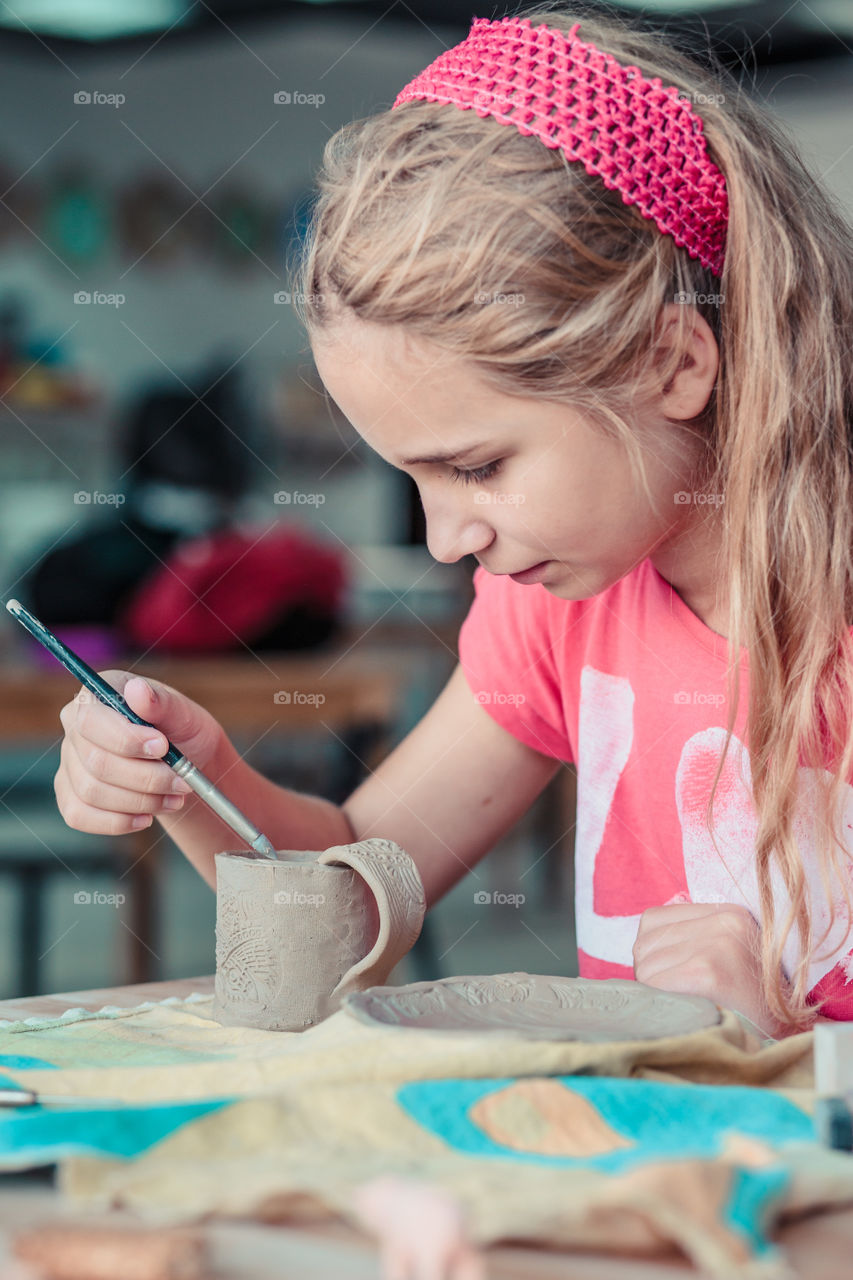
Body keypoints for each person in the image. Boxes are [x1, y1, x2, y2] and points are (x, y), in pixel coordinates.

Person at [54, 6, 853, 1040]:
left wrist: (789, 1040)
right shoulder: (556, 604)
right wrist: (199, 781)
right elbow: (353, 888)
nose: (446, 540)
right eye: (415, 481)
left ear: (674, 361)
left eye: (477, 466)